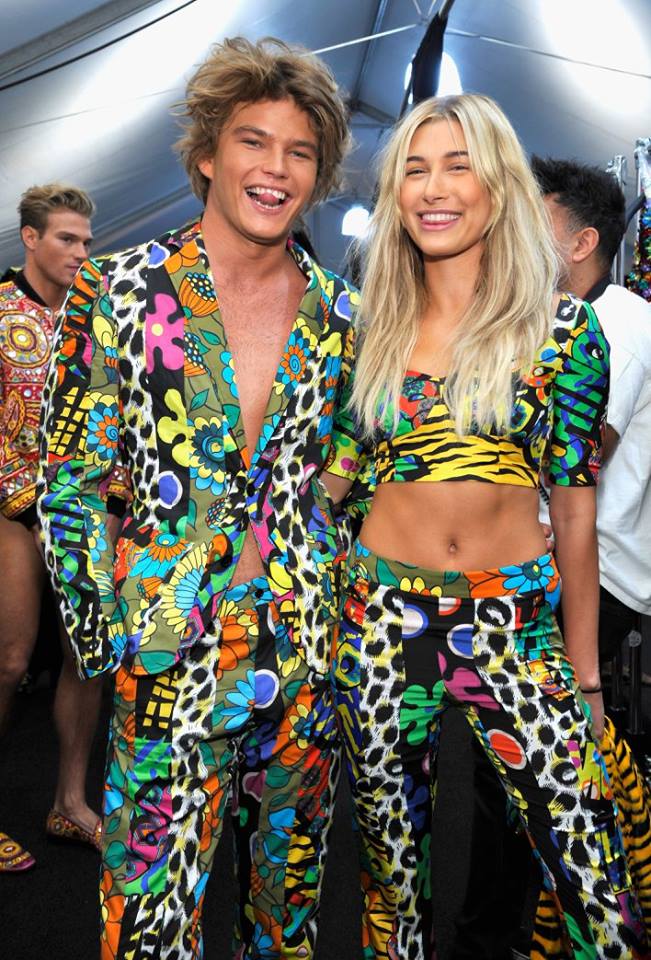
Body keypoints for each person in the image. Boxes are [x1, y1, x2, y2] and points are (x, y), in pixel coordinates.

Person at [38, 37, 355, 959]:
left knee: (286, 917)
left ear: (319, 174)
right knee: (147, 917)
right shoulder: (118, 291)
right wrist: (108, 638)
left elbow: (357, 463)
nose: (276, 168)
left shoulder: (344, 314)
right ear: (209, 153)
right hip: (166, 650)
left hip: (306, 651)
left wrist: (322, 542)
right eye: (254, 141)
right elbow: (69, 479)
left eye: (300, 152)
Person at [323, 94, 648, 958]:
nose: (433, 188)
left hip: (513, 621)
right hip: (379, 622)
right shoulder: (365, 329)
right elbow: (334, 482)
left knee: (593, 880)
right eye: (414, 170)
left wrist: (585, 680)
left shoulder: (563, 329)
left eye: (456, 166)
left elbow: (573, 509)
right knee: (392, 883)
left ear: (497, 186)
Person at [0, 184, 128, 873]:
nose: (82, 252)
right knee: (12, 659)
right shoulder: (1, 311)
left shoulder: (98, 316)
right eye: (66, 239)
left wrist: (115, 501)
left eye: (86, 240)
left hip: (84, 505)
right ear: (30, 238)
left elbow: (121, 411)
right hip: (10, 507)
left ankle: (70, 804)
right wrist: (23, 506)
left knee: (90, 652)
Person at [532, 156, 651, 665]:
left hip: (597, 571)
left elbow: (583, 452)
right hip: (559, 552)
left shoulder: (617, 321)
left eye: (536, 227)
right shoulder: (561, 319)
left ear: (582, 244)